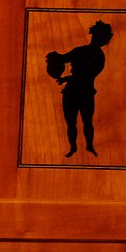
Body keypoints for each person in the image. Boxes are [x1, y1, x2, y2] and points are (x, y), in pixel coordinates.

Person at [46, 19, 111, 156]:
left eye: (99, 37)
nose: (97, 39)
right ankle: (77, 147)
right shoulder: (90, 53)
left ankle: (85, 147)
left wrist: (65, 77)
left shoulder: (92, 54)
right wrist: (55, 57)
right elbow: (64, 59)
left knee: (83, 122)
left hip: (79, 91)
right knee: (76, 122)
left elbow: (86, 75)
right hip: (81, 92)